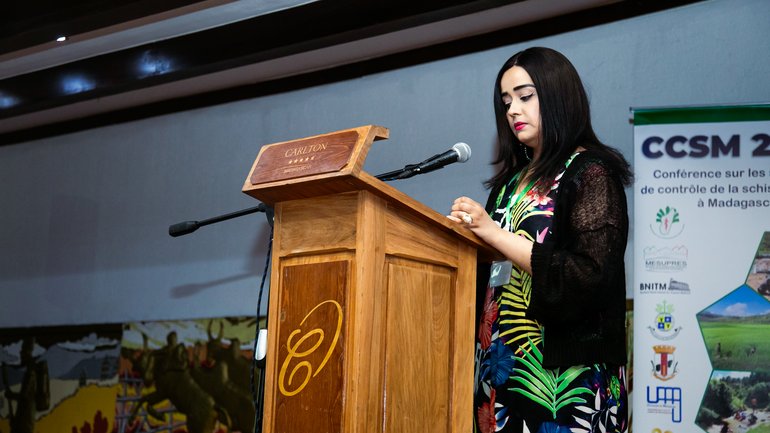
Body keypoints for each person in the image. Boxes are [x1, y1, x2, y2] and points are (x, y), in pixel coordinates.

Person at [448, 47, 632, 433]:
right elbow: (492, 269)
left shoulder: (591, 173)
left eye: (525, 96)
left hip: (563, 379)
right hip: (498, 367)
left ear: (558, 96)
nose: (512, 109)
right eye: (506, 101)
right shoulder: (508, 185)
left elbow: (590, 274)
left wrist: (494, 233)